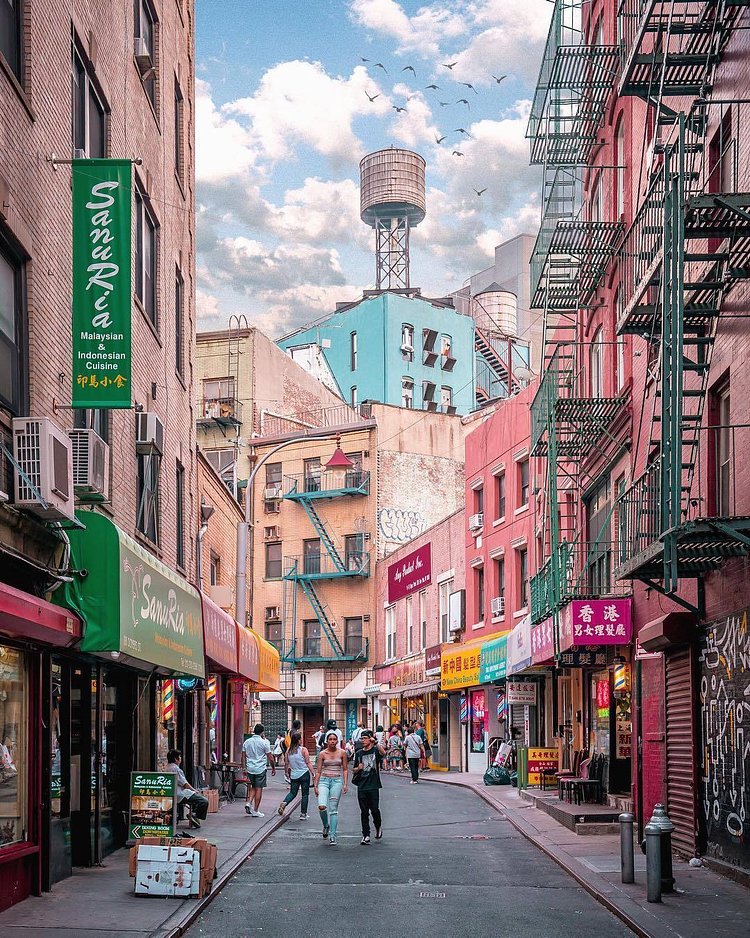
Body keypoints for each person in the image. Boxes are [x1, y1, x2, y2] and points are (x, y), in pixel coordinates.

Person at [313, 730, 348, 846]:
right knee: (322, 806)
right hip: (324, 780)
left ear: (337, 741)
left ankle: (332, 835)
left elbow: (345, 769)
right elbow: (318, 770)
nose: (332, 741)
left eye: (334, 739)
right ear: (327, 741)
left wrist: (345, 784)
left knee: (333, 810)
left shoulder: (342, 753)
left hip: (336, 781)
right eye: (330, 740)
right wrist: (315, 785)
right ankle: (325, 825)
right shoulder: (322, 754)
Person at [352, 729, 385, 845]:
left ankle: (378, 826)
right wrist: (358, 768)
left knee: (375, 809)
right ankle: (366, 835)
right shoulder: (359, 753)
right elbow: (354, 769)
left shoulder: (375, 750)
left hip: (373, 785)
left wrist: (375, 742)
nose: (362, 740)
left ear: (370, 739)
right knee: (364, 812)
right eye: (361, 738)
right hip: (362, 785)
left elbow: (383, 753)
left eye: (365, 738)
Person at [166, 749, 209, 829]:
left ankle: (193, 815)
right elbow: (185, 784)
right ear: (176, 759)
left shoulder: (167, 768)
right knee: (203, 801)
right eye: (180, 757)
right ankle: (194, 815)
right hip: (179, 794)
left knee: (195, 797)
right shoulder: (176, 769)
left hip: (171, 794)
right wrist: (194, 790)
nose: (181, 758)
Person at [278, 731, 314, 820]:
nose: (301, 740)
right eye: (300, 739)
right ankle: (303, 814)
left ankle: (285, 802)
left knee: (293, 793)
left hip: (294, 775)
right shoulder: (303, 750)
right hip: (304, 774)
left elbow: (286, 763)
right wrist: (313, 773)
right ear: (298, 740)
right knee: (305, 794)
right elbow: (308, 762)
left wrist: (286, 772)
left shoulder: (288, 751)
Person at [242, 723, 276, 817]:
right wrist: (273, 768)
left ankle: (249, 803)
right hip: (260, 768)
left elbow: (243, 755)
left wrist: (244, 767)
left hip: (250, 768)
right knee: (259, 788)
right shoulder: (264, 742)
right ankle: (256, 810)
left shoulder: (247, 742)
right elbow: (270, 757)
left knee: (253, 786)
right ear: (262, 732)